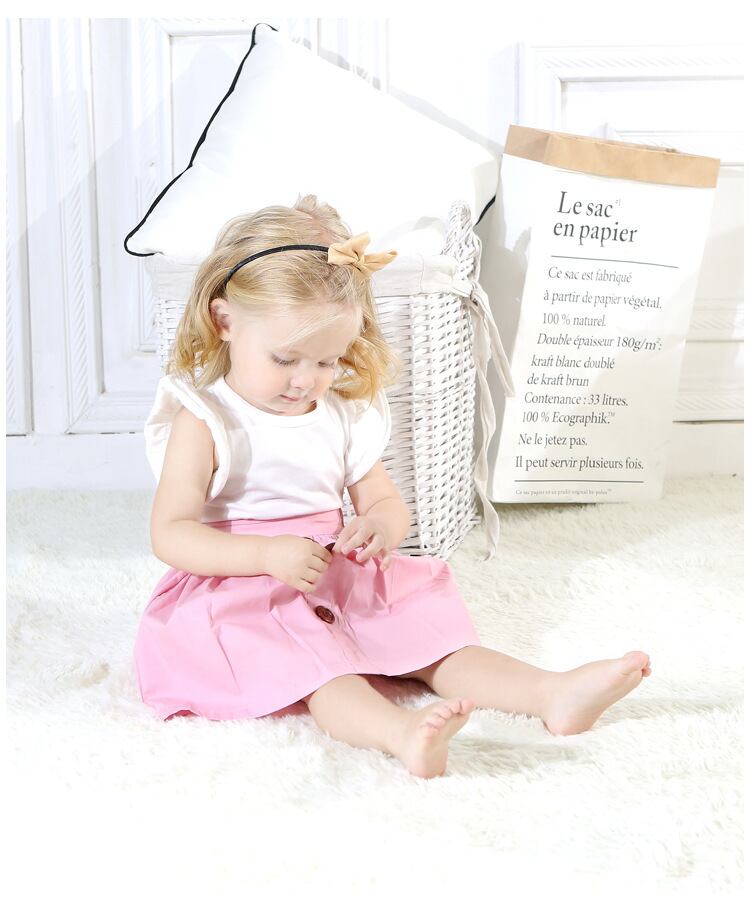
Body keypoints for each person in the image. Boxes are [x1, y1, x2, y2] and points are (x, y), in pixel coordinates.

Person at [134, 193, 652, 779]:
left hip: (334, 569)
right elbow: (170, 534)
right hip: (245, 584)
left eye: (326, 362)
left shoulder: (341, 413)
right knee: (319, 667)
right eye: (285, 359)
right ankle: (399, 733)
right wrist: (264, 555)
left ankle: (550, 693)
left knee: (430, 639)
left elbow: (380, 498)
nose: (306, 381)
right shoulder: (205, 419)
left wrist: (379, 526)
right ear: (224, 321)